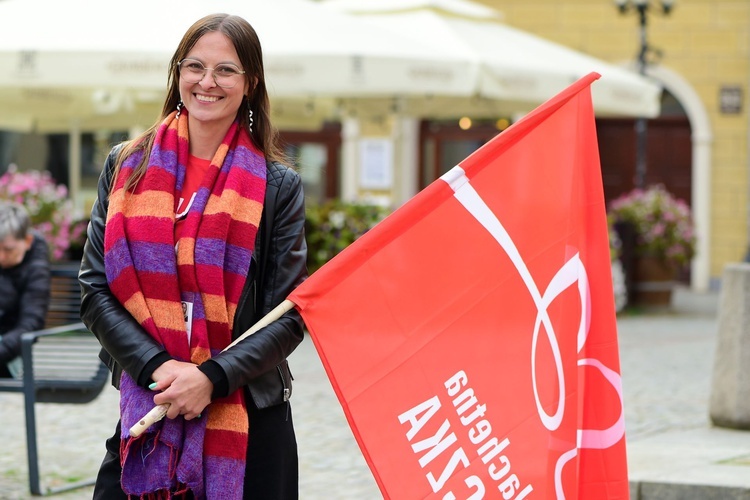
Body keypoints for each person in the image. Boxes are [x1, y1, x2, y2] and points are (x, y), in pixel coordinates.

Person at [78, 13, 307, 499]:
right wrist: (159, 367)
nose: (207, 82)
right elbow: (95, 289)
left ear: (251, 82)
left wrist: (210, 379)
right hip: (151, 403)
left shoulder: (277, 186)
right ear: (177, 73)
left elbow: (287, 316)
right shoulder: (126, 167)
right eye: (195, 66)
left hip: (247, 409)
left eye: (226, 70)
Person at [0, 201, 51, 378]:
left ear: (28, 241)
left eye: (8, 249)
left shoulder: (36, 269)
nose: (1, 256)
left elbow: (31, 324)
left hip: (8, 350)